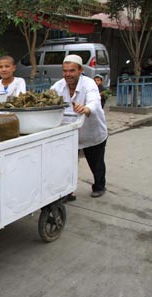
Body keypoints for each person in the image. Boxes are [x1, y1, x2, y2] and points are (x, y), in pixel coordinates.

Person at [51, 54, 108, 198]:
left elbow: (94, 101)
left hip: (91, 131)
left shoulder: (89, 84)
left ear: (80, 70)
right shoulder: (58, 86)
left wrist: (86, 109)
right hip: (70, 133)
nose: (67, 74)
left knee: (96, 163)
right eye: (65, 71)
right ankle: (68, 191)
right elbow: (48, 99)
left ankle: (99, 186)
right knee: (67, 165)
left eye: (71, 71)